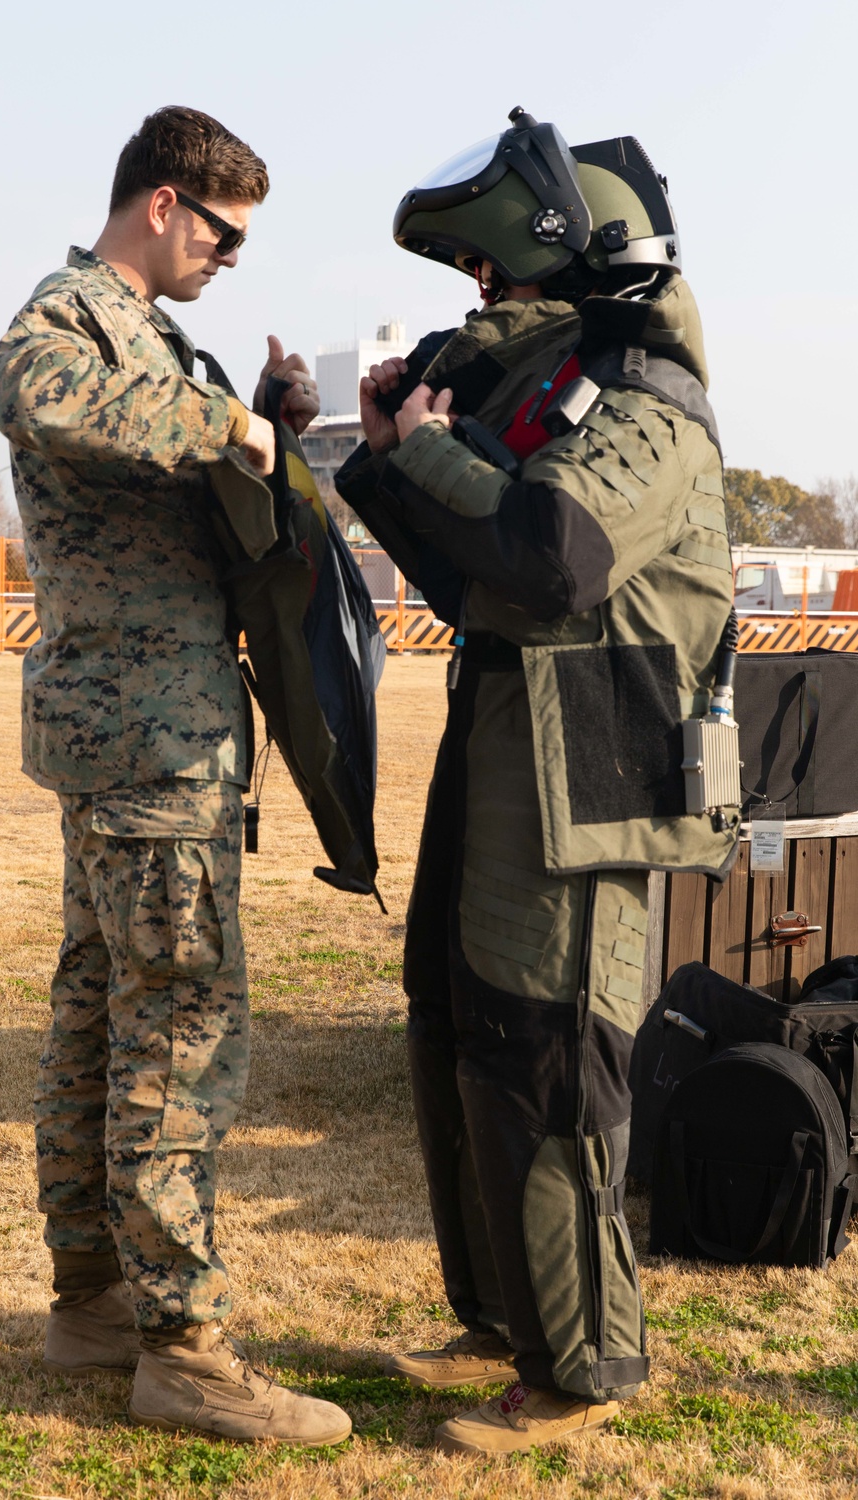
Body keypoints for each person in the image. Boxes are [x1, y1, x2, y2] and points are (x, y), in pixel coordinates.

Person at [336, 109, 740, 1454]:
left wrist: (433, 454)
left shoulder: (648, 406)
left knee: (549, 1060)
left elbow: (555, 554)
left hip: (593, 772)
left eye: (499, 273)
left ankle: (581, 1370)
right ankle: (511, 1315)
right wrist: (392, 454)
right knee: (460, 1025)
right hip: (513, 737)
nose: (485, 296)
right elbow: (472, 576)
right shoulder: (561, 392)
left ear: (587, 253)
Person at [0, 105, 350, 1448]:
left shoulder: (141, 335)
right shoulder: (71, 319)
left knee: (99, 1014)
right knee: (178, 1030)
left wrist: (264, 423)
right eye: (224, 237)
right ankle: (184, 1350)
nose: (229, 262)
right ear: (162, 203)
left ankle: (89, 1303)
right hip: (146, 747)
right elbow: (32, 389)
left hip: (137, 735)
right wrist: (228, 426)